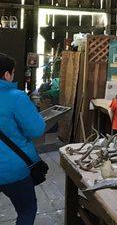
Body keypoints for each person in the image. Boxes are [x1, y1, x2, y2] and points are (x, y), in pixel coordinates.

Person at [0, 53, 45, 225]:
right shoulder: (16, 97)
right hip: (12, 169)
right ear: (7, 74)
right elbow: (36, 130)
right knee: (27, 210)